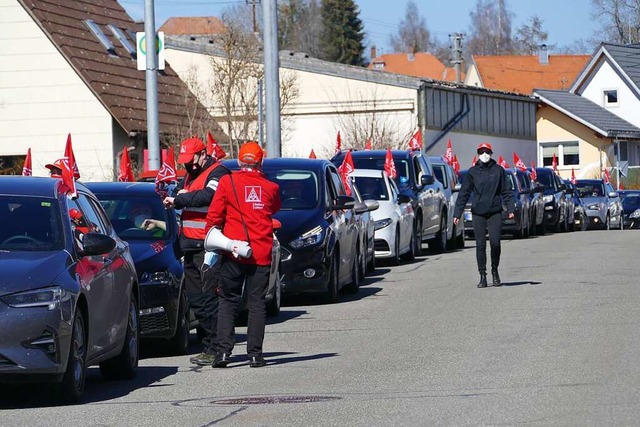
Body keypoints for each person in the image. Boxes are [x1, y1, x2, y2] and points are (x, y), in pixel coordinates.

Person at [205, 141, 281, 368]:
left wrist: (218, 240)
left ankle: (223, 353)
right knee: (257, 303)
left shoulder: (227, 182)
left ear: (239, 161)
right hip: (260, 253)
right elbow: (273, 209)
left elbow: (214, 215)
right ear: (261, 162)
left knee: (228, 300)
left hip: (233, 251)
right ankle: (255, 355)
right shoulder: (271, 188)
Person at [162, 136, 230, 366]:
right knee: (196, 298)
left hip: (209, 245)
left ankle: (216, 348)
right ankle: (210, 345)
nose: (187, 166)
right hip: (190, 245)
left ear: (202, 154)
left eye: (190, 161)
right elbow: (184, 194)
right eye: (184, 162)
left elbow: (209, 197)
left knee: (211, 298)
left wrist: (179, 199)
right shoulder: (190, 174)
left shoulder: (218, 172)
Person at [453, 142, 515, 288]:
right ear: (478, 155)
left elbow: (506, 191)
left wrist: (511, 209)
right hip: (478, 212)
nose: (484, 155)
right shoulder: (472, 172)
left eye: (487, 152)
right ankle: (482, 275)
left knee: (495, 243)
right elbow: (464, 193)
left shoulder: (499, 170)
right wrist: (457, 213)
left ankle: (495, 270)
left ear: (491, 153)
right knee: (480, 245)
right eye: (481, 152)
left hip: (494, 211)